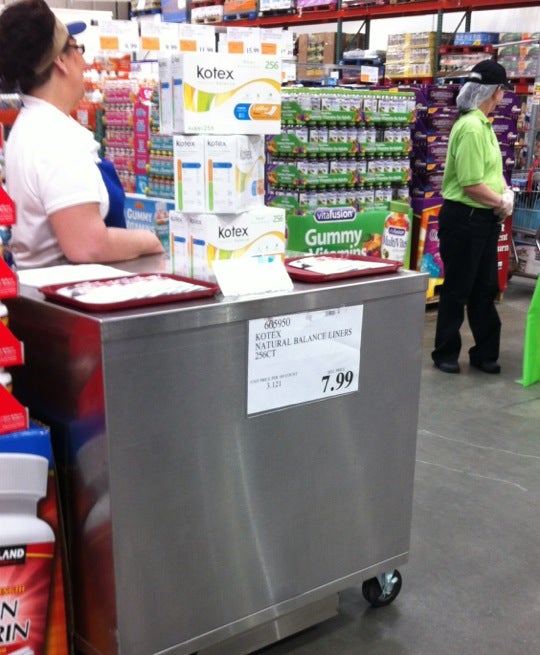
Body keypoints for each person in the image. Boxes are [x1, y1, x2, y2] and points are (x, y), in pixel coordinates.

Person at [0, 0, 164, 269]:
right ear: (61, 60)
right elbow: (89, 245)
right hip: (70, 288)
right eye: (77, 49)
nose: (85, 62)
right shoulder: (53, 138)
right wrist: (151, 240)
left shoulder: (33, 125)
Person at [431, 60, 514, 375]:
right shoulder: (470, 128)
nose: (503, 95)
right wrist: (500, 202)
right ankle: (445, 353)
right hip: (464, 219)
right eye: (502, 89)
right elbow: (470, 184)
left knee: (485, 287)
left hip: (484, 219)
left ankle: (485, 353)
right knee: (458, 288)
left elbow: (491, 172)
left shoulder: (485, 126)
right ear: (494, 91)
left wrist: (505, 192)